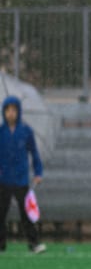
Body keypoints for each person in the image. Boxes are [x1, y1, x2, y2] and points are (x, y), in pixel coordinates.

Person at [1, 95, 46, 254]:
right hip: (3, 179)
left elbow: (34, 153)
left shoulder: (26, 131)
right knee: (1, 213)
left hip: (21, 179)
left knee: (26, 213)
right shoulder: (1, 132)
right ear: (3, 112)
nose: (10, 113)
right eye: (7, 110)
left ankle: (34, 243)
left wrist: (38, 172)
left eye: (13, 110)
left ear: (18, 111)